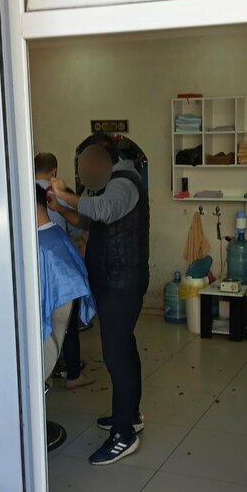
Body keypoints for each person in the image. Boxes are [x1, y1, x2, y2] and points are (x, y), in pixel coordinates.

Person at [48, 137, 150, 465]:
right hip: (113, 281)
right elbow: (90, 221)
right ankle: (130, 416)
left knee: (116, 355)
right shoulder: (109, 186)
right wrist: (61, 208)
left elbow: (103, 210)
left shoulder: (124, 182)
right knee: (125, 350)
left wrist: (65, 194)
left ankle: (124, 435)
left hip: (122, 283)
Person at [34, 151, 93, 389]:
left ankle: (45, 370)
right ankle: (72, 373)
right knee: (66, 324)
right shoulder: (62, 196)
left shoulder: (25, 189)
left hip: (49, 272)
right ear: (54, 171)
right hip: (62, 269)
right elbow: (80, 228)